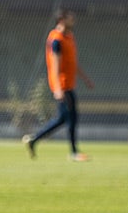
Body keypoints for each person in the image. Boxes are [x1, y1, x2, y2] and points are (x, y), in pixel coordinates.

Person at [23, 9, 94, 161]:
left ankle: (34, 140)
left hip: (69, 84)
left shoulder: (69, 37)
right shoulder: (56, 40)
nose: (73, 19)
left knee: (63, 119)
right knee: (71, 119)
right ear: (61, 20)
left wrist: (84, 78)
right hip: (62, 86)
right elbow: (54, 66)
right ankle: (74, 152)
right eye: (70, 17)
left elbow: (72, 63)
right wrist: (58, 89)